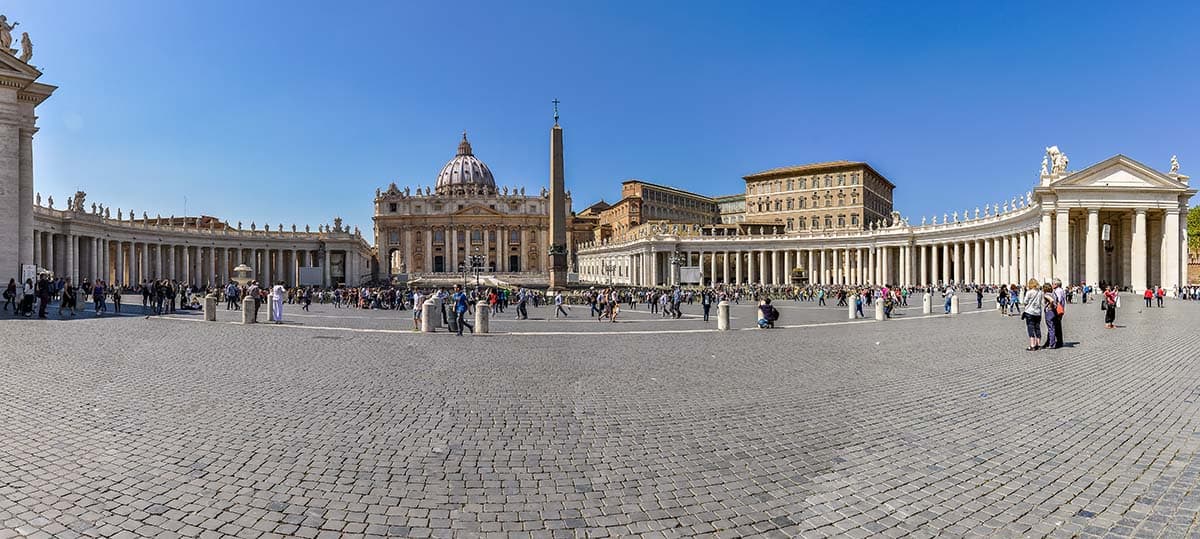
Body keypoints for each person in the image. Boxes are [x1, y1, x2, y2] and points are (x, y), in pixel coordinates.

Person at [1021, 279, 1043, 351]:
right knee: (1037, 328)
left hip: (1030, 312)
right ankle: (1038, 345)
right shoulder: (1040, 292)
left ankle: (1032, 345)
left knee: (1030, 328)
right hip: (1038, 312)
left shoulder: (1029, 292)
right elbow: (1041, 302)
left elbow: (1025, 301)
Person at [1042, 283, 1060, 349]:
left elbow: (1051, 300)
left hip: (1049, 312)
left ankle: (1052, 344)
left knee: (1050, 328)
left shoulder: (1046, 295)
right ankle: (1050, 342)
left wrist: (1050, 306)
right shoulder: (1053, 294)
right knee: (1052, 327)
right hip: (1054, 312)